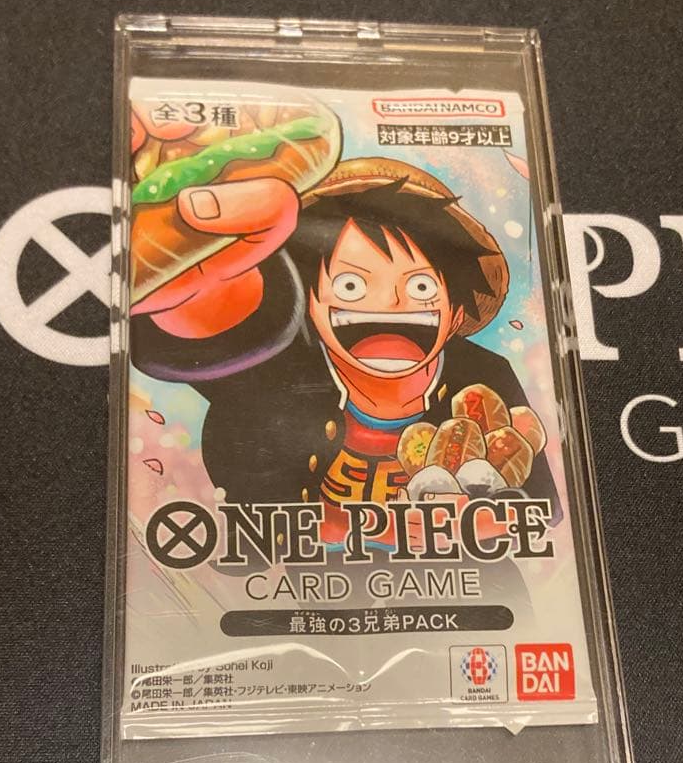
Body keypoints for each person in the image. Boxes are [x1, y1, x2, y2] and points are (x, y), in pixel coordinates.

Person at [130, 158, 557, 546]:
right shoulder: (281, 377)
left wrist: (485, 521)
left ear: (456, 312)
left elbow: (542, 508)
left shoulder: (483, 376)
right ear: (311, 305)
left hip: (473, 590)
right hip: (308, 594)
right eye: (351, 285)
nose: (390, 305)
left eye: (420, 286)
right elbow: (182, 351)